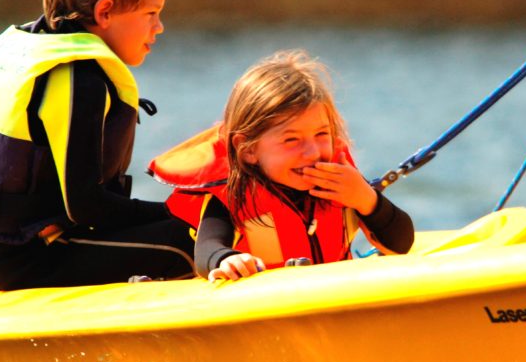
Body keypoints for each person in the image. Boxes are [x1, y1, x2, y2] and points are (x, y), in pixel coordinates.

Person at [0, 0, 194, 291]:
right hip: (27, 260)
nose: (159, 27)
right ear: (105, 11)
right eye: (151, 13)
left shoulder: (34, 50)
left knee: (186, 226)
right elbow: (87, 208)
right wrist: (177, 210)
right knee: (187, 241)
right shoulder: (80, 81)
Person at [153, 50, 414, 282]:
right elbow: (207, 249)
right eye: (292, 139)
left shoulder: (342, 183)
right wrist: (225, 259)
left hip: (334, 303)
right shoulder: (230, 194)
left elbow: (401, 243)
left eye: (322, 134)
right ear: (249, 150)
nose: (312, 152)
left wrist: (367, 200)